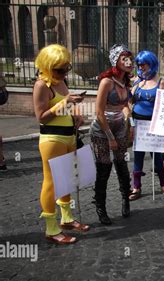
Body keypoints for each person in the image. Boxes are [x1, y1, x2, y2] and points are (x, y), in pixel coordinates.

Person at [33, 44, 90, 244]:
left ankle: (66, 218)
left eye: (67, 68)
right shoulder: (42, 85)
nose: (64, 72)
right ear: (47, 66)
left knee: (66, 178)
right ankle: (51, 228)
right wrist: (65, 102)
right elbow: (41, 117)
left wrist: (75, 115)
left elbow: (62, 110)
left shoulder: (60, 81)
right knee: (51, 181)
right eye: (59, 69)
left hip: (68, 136)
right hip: (52, 139)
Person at [90, 44, 133, 225]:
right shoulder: (106, 82)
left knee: (122, 164)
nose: (130, 62)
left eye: (130, 58)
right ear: (116, 61)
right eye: (125, 59)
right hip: (102, 130)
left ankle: (126, 199)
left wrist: (128, 121)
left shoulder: (126, 81)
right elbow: (99, 112)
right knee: (104, 168)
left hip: (120, 127)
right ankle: (101, 207)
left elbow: (125, 105)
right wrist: (110, 137)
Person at [129, 50, 164, 201]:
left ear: (151, 64)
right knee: (138, 156)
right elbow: (129, 102)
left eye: (144, 64)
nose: (141, 67)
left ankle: (163, 183)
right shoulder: (137, 81)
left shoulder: (161, 82)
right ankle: (136, 186)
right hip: (138, 123)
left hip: (154, 123)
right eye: (139, 65)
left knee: (157, 155)